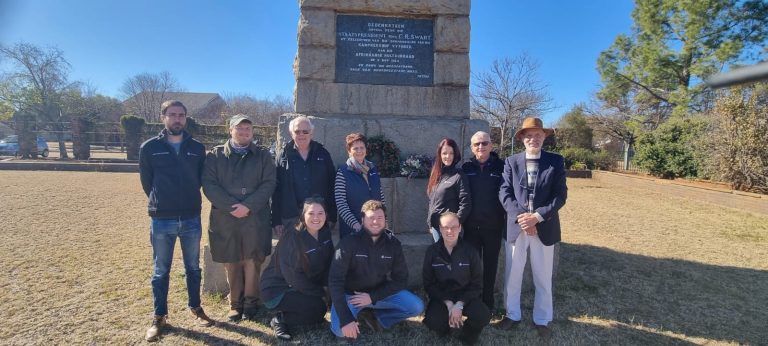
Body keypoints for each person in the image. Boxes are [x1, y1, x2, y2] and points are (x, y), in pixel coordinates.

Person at [139, 100, 214, 342]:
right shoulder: (149, 148)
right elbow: (147, 183)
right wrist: (163, 202)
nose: (177, 119)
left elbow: (201, 178)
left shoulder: (197, 148)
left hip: (191, 217)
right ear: (163, 117)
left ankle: (196, 307)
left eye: (181, 115)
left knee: (193, 267)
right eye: (172, 115)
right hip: (162, 220)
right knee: (161, 270)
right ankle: (159, 316)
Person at [497, 117, 567, 339]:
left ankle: (543, 318)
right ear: (522, 139)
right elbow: (504, 193)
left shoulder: (555, 162)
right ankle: (512, 314)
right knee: (513, 273)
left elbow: (560, 196)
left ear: (544, 137)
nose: (533, 139)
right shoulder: (511, 161)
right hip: (517, 227)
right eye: (528, 135)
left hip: (543, 226)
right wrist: (522, 218)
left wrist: (537, 217)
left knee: (542, 275)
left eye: (538, 135)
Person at [201, 115, 276, 322]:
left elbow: (269, 183)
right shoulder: (216, 155)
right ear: (230, 130)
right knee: (231, 260)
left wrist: (248, 206)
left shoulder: (262, 155)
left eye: (248, 129)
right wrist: (232, 206)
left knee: (253, 259)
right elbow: (209, 184)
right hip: (226, 217)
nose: (244, 132)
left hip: (255, 216)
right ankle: (235, 304)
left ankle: (252, 302)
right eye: (240, 128)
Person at [328, 200, 424, 340]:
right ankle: (352, 315)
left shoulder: (393, 244)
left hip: (380, 294)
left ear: (385, 220)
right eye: (371, 218)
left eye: (380, 218)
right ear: (362, 220)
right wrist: (346, 318)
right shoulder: (348, 243)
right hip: (351, 296)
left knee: (416, 306)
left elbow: (401, 279)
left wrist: (372, 297)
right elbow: (335, 280)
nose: (375, 222)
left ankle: (380, 318)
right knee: (340, 330)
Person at [260, 196, 335, 341]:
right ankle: (280, 319)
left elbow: (328, 265)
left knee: (319, 309)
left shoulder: (325, 234)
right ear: (303, 215)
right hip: (277, 289)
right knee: (318, 309)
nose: (316, 218)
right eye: (311, 213)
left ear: (326, 215)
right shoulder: (292, 238)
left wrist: (330, 289)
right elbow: (293, 277)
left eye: (320, 213)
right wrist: (320, 293)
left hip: (303, 287)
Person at [422, 212, 491, 345]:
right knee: (433, 321)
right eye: (445, 227)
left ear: (460, 228)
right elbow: (429, 284)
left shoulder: (470, 251)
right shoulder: (432, 252)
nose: (450, 231)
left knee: (483, 316)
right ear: (440, 229)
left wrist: (459, 304)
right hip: (442, 297)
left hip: (465, 296)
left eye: (454, 227)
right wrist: (448, 303)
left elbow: (477, 284)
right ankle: (445, 329)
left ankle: (466, 333)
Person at [461, 131, 506, 311]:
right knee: (472, 267)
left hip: (493, 227)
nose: (481, 147)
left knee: (490, 266)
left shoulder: (502, 167)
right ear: (472, 147)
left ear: (491, 145)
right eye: (477, 144)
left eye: (484, 143)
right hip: (470, 228)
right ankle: (472, 301)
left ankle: (487, 303)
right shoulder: (466, 167)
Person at [272, 116, 336, 238]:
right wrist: (276, 220)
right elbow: (277, 190)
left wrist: (332, 215)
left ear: (311, 133)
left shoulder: (323, 154)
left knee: (317, 254)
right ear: (291, 133)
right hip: (290, 217)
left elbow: (332, 185)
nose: (301, 134)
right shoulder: (283, 155)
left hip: (317, 216)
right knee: (292, 255)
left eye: (305, 131)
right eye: (297, 131)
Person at [334, 133, 385, 239]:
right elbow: (341, 203)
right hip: (353, 230)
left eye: (362, 147)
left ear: (366, 150)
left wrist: (383, 220)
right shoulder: (343, 172)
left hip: (374, 227)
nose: (359, 151)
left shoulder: (373, 169)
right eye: (355, 148)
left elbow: (381, 197)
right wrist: (356, 225)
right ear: (349, 151)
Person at [427, 138, 471, 242]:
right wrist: (430, 223)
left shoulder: (459, 175)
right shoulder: (436, 175)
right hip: (436, 228)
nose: (448, 156)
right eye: (444, 153)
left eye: (451, 153)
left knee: (451, 257)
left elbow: (466, 203)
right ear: (440, 155)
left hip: (450, 229)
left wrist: (454, 224)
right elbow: (432, 201)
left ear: (455, 155)